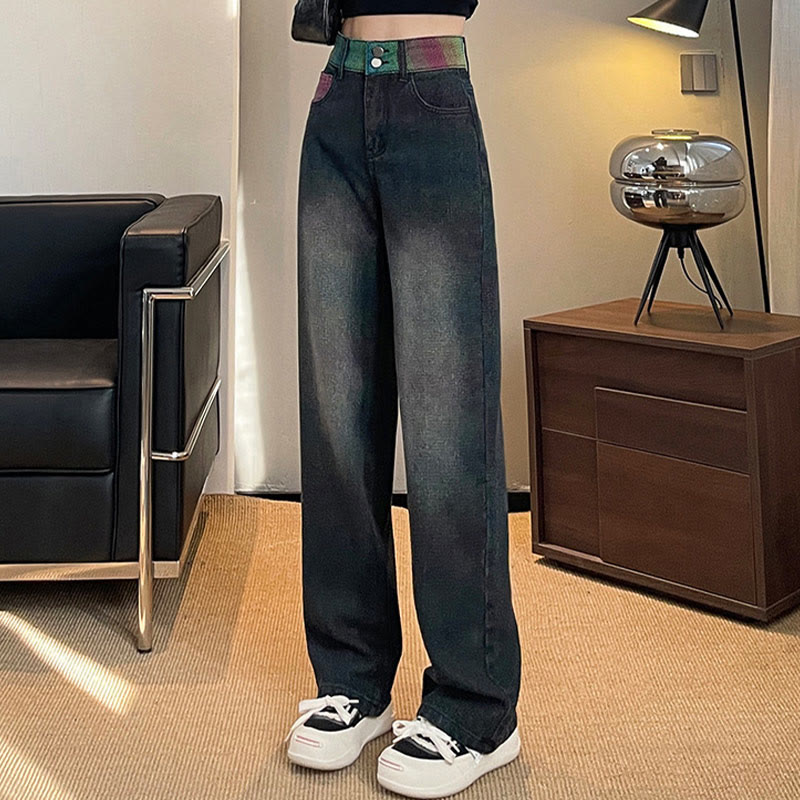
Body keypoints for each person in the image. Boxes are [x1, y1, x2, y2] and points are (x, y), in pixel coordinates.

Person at [285, 2, 522, 796]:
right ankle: (352, 678)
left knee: (448, 423)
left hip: (431, 94)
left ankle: (478, 709)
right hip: (337, 99)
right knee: (336, 414)